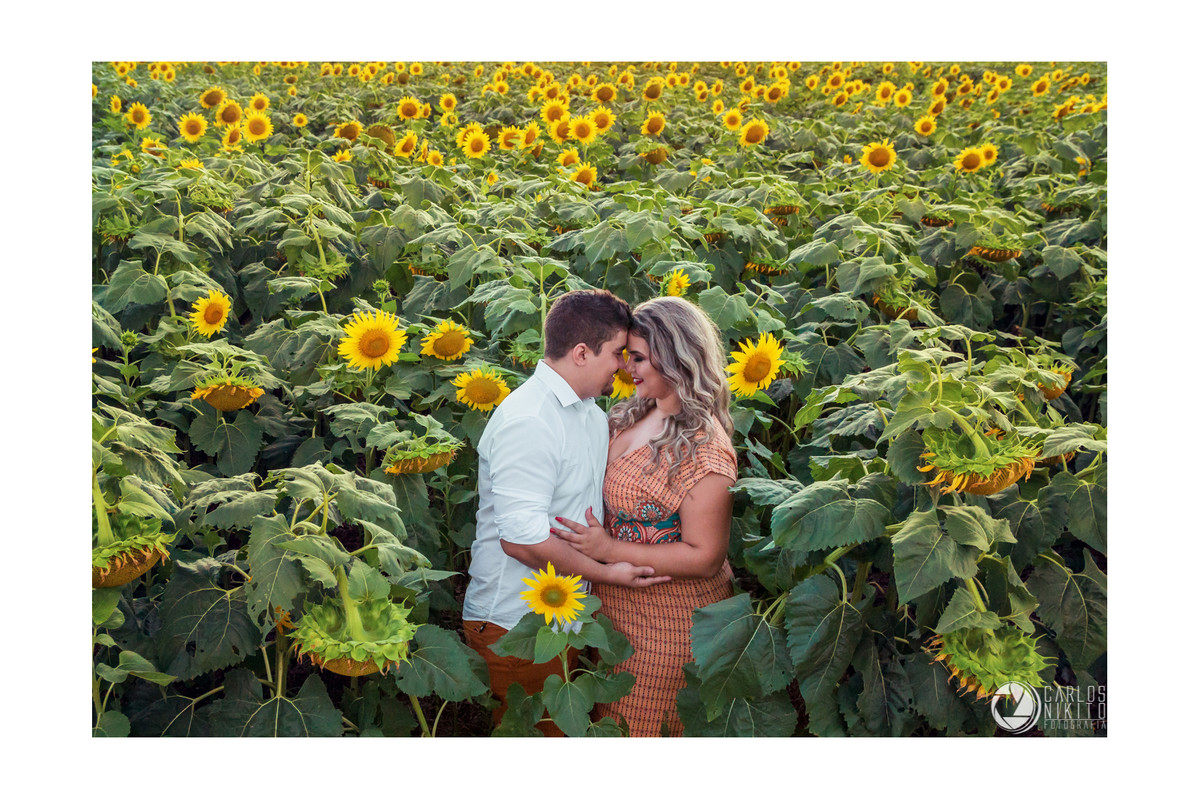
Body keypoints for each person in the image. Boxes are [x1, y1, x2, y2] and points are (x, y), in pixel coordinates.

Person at [461, 289, 671, 737]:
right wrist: (613, 572)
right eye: (617, 353)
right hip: (514, 621)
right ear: (581, 352)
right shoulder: (530, 421)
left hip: (564, 612)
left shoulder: (588, 412)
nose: (623, 366)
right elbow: (522, 541)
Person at [550, 296, 737, 737]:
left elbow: (707, 555)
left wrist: (609, 549)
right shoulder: (636, 412)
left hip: (668, 623)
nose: (625, 368)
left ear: (676, 358)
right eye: (625, 356)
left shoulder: (704, 445)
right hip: (612, 610)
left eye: (637, 358)